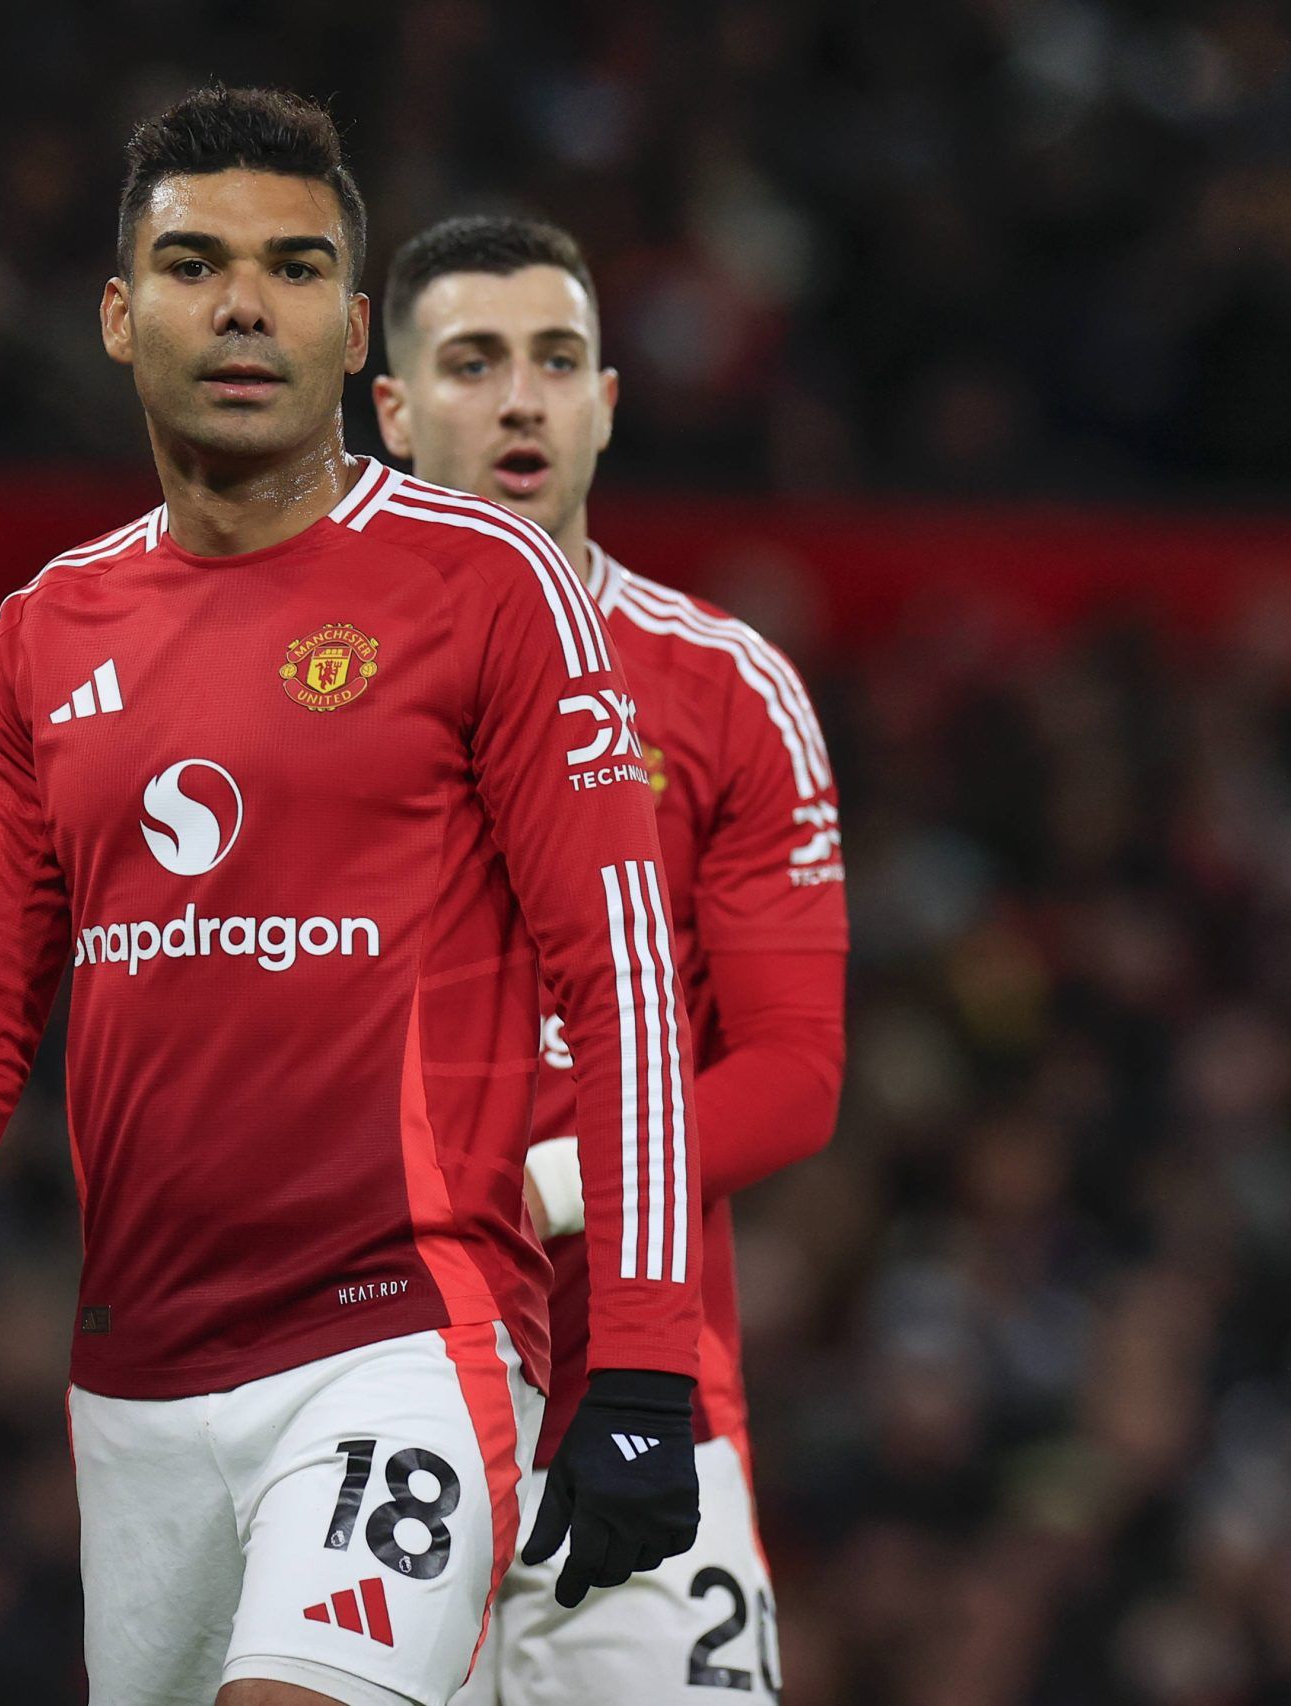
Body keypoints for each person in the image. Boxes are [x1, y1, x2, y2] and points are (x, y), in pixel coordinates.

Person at [0, 88, 704, 1706]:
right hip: (138, 1383)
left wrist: (649, 1358)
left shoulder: (488, 587)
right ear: (121, 318)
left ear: (353, 331)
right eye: (196, 266)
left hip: (406, 1336)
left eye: (295, 267)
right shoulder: (45, 635)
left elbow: (625, 982)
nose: (246, 304)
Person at [372, 215, 848, 1704]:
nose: (521, 398)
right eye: (473, 362)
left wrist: (555, 1183)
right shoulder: (307, 686)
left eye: (558, 360)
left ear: (609, 402)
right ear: (392, 410)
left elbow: (795, 1073)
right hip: (359, 1388)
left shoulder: (726, 688)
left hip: (642, 1400)